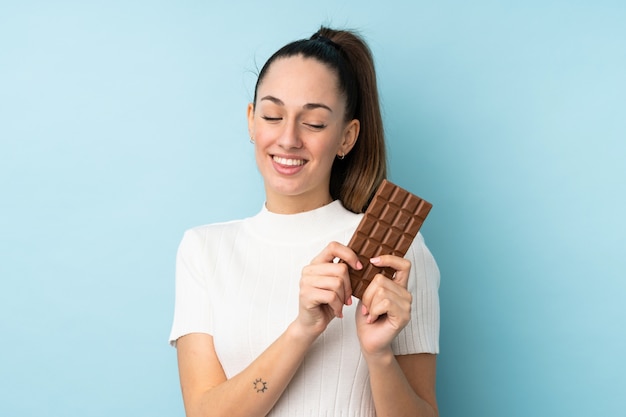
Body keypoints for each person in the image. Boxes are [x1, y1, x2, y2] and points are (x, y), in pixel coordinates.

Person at [169, 26, 440, 417]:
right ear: (251, 120)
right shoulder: (204, 250)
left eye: (313, 123)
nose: (289, 139)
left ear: (347, 137)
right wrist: (303, 329)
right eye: (273, 115)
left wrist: (379, 355)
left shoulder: (397, 254)